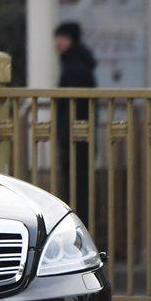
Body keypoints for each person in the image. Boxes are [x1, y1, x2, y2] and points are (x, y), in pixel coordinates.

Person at [54, 21, 96, 219]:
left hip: (75, 135)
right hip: (81, 133)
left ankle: (78, 223)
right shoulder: (79, 63)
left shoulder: (74, 67)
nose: (58, 43)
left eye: (62, 38)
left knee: (75, 183)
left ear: (71, 39)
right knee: (80, 182)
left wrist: (65, 130)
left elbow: (72, 104)